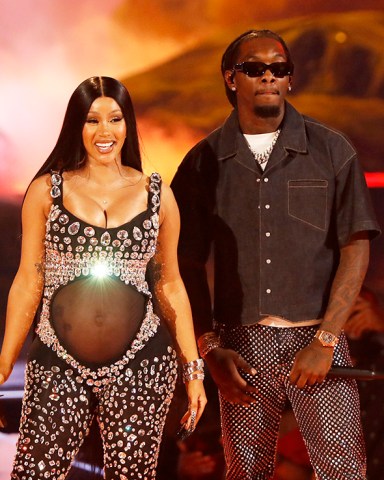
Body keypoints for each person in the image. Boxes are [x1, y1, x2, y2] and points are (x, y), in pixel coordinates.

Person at [171, 29, 381, 479]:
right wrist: (210, 349)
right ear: (231, 78)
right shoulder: (202, 162)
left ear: (290, 79)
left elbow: (355, 248)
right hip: (239, 346)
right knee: (245, 472)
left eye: (279, 68)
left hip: (317, 341)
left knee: (344, 470)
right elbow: (181, 264)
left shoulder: (331, 150)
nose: (269, 76)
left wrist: (326, 341)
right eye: (255, 68)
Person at [0, 76, 206, 479]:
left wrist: (192, 369)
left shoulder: (157, 193)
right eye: (92, 120)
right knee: (34, 472)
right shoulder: (46, 191)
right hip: (58, 360)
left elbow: (170, 283)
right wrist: (5, 360)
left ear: (128, 124)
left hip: (142, 362)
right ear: (76, 126)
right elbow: (29, 280)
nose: (104, 131)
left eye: (115, 119)